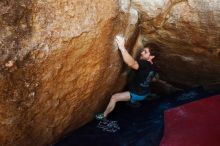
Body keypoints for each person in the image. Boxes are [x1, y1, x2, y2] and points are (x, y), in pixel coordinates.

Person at [96, 35, 160, 120]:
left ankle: (104, 115)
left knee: (114, 97)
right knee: (134, 96)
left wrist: (122, 47)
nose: (141, 53)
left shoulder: (143, 64)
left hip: (137, 94)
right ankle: (137, 101)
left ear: (151, 57)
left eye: (145, 52)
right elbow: (155, 79)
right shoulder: (154, 67)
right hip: (146, 92)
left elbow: (131, 63)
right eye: (143, 51)